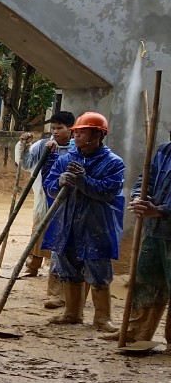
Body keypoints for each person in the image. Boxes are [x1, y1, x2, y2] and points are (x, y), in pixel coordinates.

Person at [41, 111, 125, 332]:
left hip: (96, 225)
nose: (76, 136)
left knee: (98, 271)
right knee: (69, 269)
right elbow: (49, 186)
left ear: (97, 134)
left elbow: (108, 191)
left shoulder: (113, 163)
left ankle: (102, 318)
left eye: (82, 132)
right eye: (76, 132)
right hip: (67, 222)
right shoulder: (66, 159)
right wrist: (59, 181)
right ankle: (72, 313)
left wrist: (82, 181)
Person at [17, 110, 75, 307]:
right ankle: (33, 265)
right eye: (53, 128)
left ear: (71, 130)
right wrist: (24, 146)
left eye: (60, 128)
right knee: (39, 230)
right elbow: (25, 163)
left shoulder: (77, 149)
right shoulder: (44, 145)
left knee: (61, 240)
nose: (56, 132)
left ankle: (61, 284)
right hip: (44, 197)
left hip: (68, 203)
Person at [124, 128, 171, 347]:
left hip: (165, 224)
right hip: (154, 231)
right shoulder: (164, 151)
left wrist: (161, 210)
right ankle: (137, 332)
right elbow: (146, 178)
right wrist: (138, 196)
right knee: (145, 282)